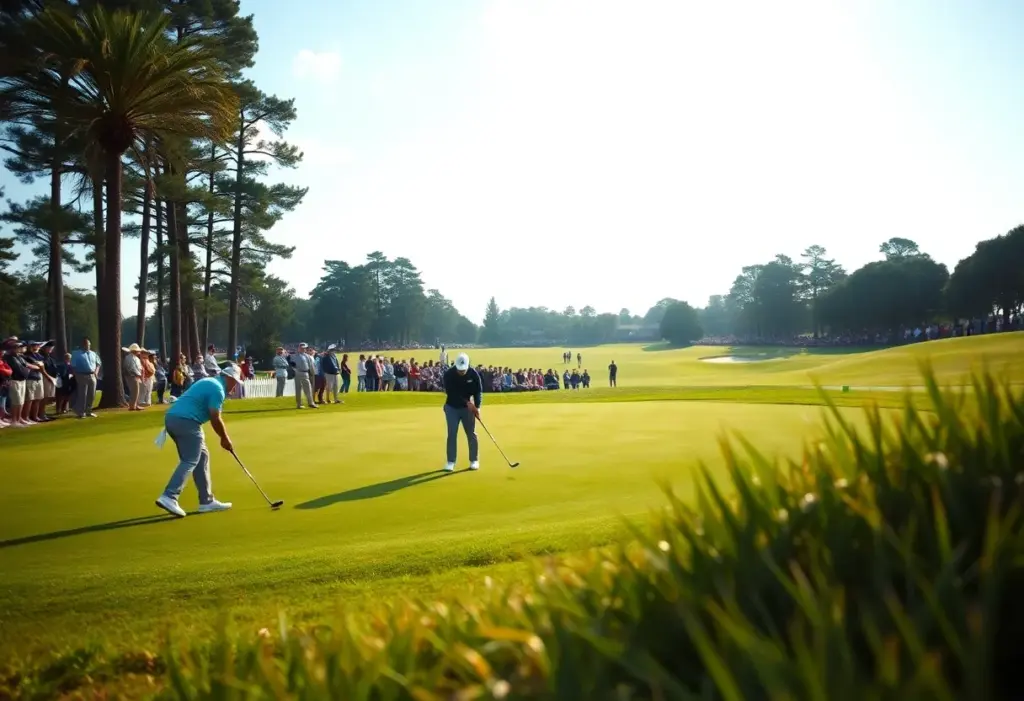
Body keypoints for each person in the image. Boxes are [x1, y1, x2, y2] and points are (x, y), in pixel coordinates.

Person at [154, 362, 242, 518]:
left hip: (173, 419)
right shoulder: (218, 389)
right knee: (190, 460)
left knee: (202, 456)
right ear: (228, 378)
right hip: (186, 421)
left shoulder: (209, 382)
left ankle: (206, 501)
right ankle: (170, 496)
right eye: (235, 382)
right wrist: (224, 438)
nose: (235, 387)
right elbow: (215, 417)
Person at [441, 352, 483, 472]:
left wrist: (478, 407)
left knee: (471, 433)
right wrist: (468, 403)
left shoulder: (473, 374)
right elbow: (451, 393)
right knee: (452, 433)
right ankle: (451, 462)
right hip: (452, 407)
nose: (461, 372)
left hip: (467, 409)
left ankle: (474, 460)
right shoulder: (449, 374)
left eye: (463, 370)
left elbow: (478, 391)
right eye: (460, 370)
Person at [71, 337, 100, 418]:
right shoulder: (76, 354)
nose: (88, 346)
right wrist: (75, 375)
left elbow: (98, 364)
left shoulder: (93, 353)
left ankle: (88, 411)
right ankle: (81, 412)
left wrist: (96, 373)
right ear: (83, 344)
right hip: (81, 375)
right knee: (83, 394)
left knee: (92, 394)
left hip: (92, 375)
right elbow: (73, 366)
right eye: (87, 344)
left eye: (89, 344)